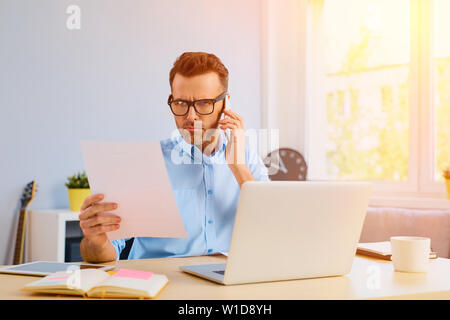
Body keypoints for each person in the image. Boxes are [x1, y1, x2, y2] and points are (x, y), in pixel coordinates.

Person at [79, 52, 269, 263]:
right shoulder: (146, 164)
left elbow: (272, 230)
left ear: (226, 105)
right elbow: (103, 254)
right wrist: (95, 241)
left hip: (227, 285)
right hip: (160, 286)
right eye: (180, 103)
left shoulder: (248, 162)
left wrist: (238, 167)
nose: (190, 116)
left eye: (204, 103)